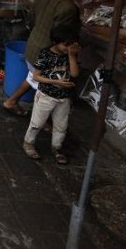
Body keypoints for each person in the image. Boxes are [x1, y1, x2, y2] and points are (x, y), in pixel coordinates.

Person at [3, 0, 81, 116]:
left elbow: (32, 18)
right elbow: (61, 36)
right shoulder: (69, 8)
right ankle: (42, 121)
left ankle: (11, 101)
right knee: (47, 90)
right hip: (47, 52)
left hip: (33, 43)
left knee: (32, 77)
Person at [22, 25, 81, 164]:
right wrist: (56, 82)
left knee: (61, 125)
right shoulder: (45, 54)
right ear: (55, 42)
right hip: (45, 95)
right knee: (37, 122)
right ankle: (28, 142)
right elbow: (36, 76)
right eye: (66, 45)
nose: (68, 48)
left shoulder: (70, 54)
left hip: (64, 97)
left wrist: (72, 55)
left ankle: (57, 147)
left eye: (72, 45)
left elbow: (74, 74)